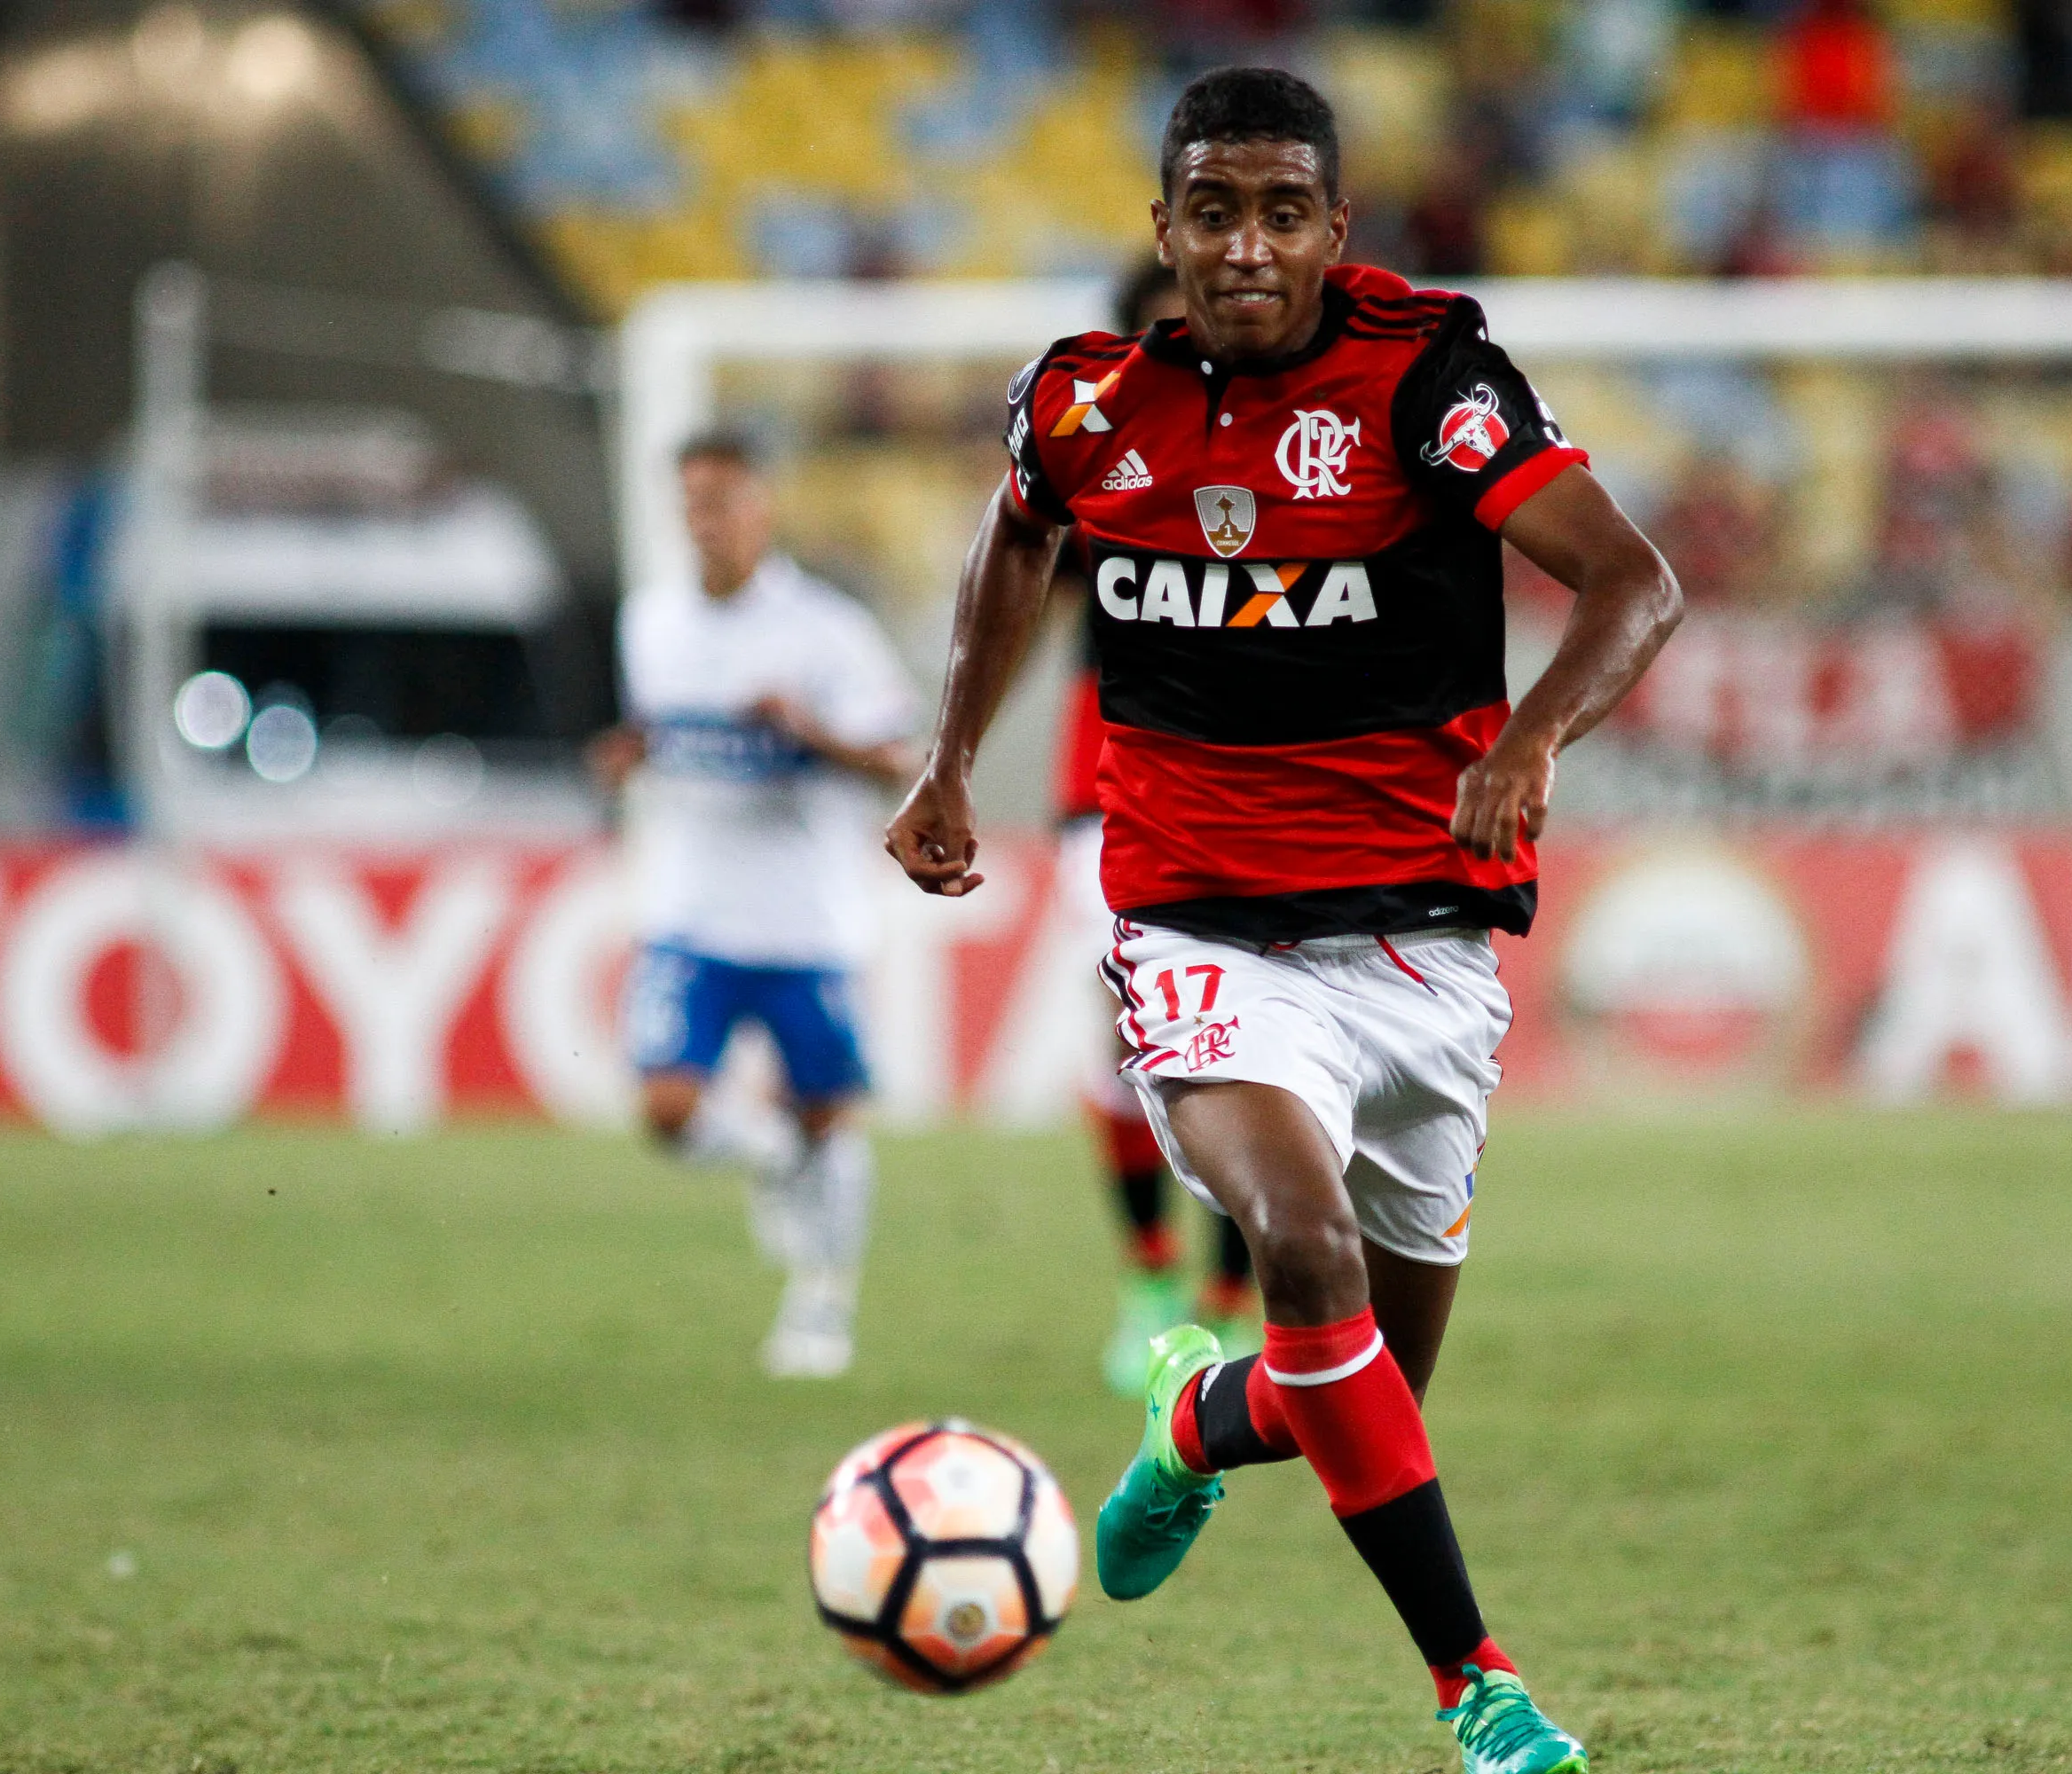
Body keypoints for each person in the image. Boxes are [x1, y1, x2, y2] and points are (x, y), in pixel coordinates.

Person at [885, 67, 1681, 1774]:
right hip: (1203, 931)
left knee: (1368, 1381)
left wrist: (1533, 739)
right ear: (1162, 229)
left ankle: (1192, 1416)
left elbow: (1634, 580)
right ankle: (1482, 1687)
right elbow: (1013, 541)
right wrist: (949, 757)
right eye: (1212, 212)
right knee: (1301, 1255)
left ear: (1335, 227)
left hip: (1424, 944)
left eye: (1281, 213)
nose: (1245, 247)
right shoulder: (1087, 400)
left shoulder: (1425, 379)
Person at [592, 428, 918, 1379]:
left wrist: (810, 732)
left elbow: (899, 757)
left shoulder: (825, 629)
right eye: (694, 500)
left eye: (727, 498)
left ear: (763, 507)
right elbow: (661, 733)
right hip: (690, 911)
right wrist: (630, 755)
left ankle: (822, 1304)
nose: (710, 519)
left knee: (829, 1116)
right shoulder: (650, 622)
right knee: (667, 1108)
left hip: (805, 921)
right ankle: (770, 1155)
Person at [1056, 255, 1262, 1394]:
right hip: (1104, 784)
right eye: (1160, 327)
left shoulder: (1293, 451)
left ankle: (1230, 1298)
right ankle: (1148, 1279)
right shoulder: (1090, 455)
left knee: (1243, 1042)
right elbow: (1016, 578)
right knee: (1123, 1037)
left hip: (1244, 784)